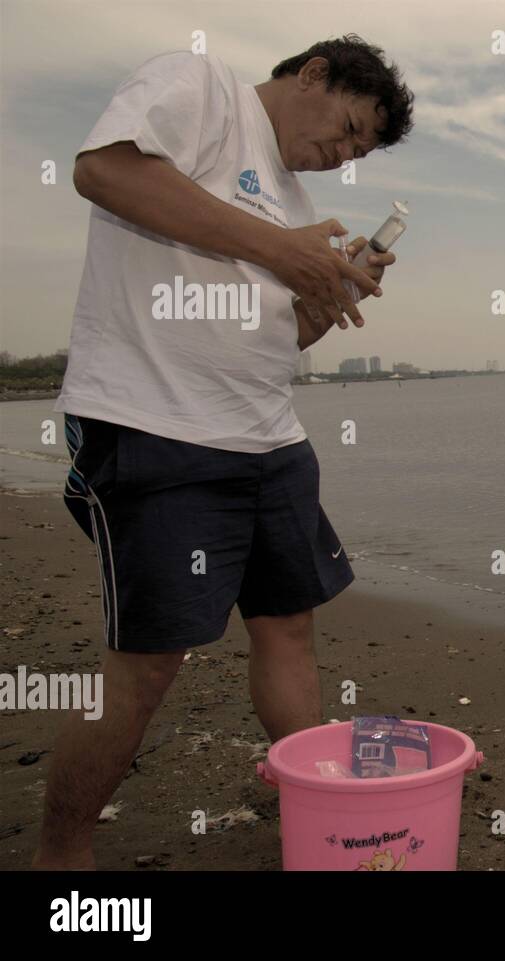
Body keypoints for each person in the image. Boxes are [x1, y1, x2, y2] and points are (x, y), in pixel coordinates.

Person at [34, 36, 414, 869]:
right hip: (156, 423)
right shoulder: (201, 86)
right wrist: (285, 251)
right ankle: (62, 858)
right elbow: (103, 170)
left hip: (268, 437)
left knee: (288, 631)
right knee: (149, 659)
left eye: (356, 154)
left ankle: (320, 816)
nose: (340, 156)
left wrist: (327, 290)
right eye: (347, 129)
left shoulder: (286, 196)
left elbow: (278, 336)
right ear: (313, 75)